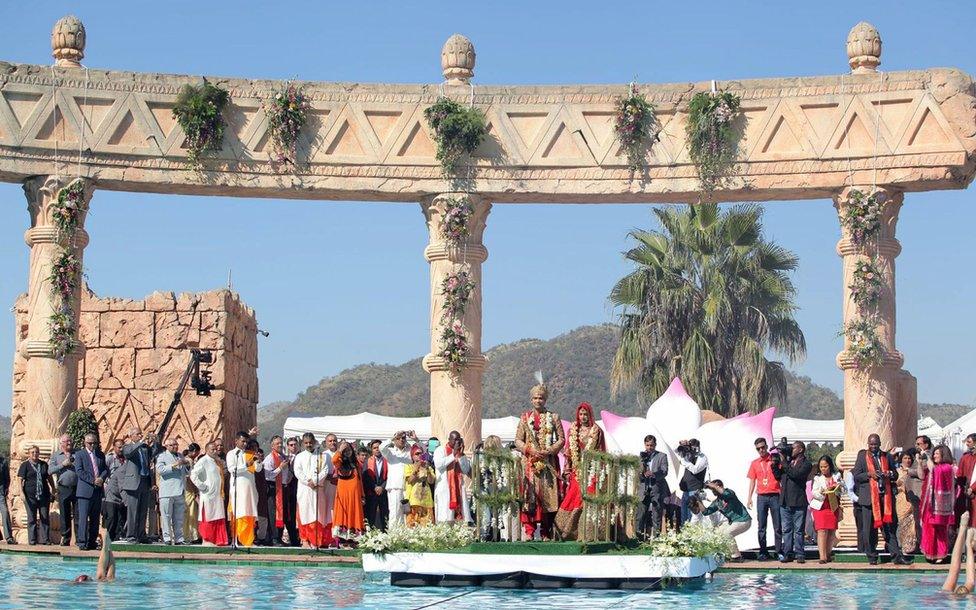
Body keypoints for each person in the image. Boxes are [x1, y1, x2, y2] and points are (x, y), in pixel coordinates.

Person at [514, 382, 565, 539]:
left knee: (548, 499)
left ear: (545, 399)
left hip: (548, 464)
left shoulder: (554, 417)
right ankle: (529, 532)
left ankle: (545, 532)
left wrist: (548, 451)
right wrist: (530, 450)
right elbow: (517, 440)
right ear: (531, 400)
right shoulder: (524, 419)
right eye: (535, 398)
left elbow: (562, 440)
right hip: (529, 464)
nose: (538, 401)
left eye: (541, 398)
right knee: (529, 497)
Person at [852, 433, 911, 565]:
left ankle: (896, 556)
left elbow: (895, 475)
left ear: (880, 444)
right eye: (871, 444)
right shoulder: (862, 457)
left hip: (885, 498)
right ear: (868, 444)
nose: (873, 446)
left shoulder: (887, 456)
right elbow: (856, 475)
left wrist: (889, 474)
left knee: (889, 529)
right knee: (869, 530)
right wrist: (869, 474)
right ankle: (872, 556)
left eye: (875, 444)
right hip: (868, 499)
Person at [553, 403, 605, 541]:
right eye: (581, 414)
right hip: (577, 471)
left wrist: (599, 471)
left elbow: (601, 452)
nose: (583, 417)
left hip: (592, 471)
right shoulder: (573, 430)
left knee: (590, 498)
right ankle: (567, 532)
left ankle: (591, 533)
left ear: (590, 415)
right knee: (574, 497)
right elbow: (569, 452)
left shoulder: (597, 431)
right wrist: (568, 470)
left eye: (585, 414)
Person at [773, 440, 812, 563]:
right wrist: (775, 464)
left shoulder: (806, 464)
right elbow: (779, 476)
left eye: (794, 448)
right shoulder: (788, 462)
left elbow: (795, 475)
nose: (791, 450)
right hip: (784, 501)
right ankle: (788, 553)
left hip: (798, 501)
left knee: (799, 530)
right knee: (786, 529)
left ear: (800, 449)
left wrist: (784, 462)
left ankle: (800, 553)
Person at [293, 432, 332, 549]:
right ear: (303, 443)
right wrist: (308, 481)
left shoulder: (322, 456)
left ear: (314, 442)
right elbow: (297, 471)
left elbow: (325, 470)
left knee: (318, 515)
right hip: (305, 489)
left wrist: (314, 481)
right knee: (305, 514)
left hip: (318, 489)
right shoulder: (299, 456)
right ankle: (305, 540)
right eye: (306, 443)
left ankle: (316, 541)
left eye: (310, 442)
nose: (309, 445)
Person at [919, 444, 957, 563]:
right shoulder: (934, 467)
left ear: (943, 455)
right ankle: (931, 553)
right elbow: (921, 475)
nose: (934, 456)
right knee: (928, 528)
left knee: (940, 530)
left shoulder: (947, 467)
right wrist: (919, 462)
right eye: (934, 453)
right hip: (929, 504)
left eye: (936, 454)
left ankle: (941, 554)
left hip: (940, 505)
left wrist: (927, 456)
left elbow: (934, 470)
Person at [746, 437, 781, 561]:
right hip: (761, 496)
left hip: (775, 495)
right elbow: (752, 481)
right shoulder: (755, 463)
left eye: (763, 447)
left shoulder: (775, 459)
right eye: (758, 448)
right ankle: (763, 551)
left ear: (766, 446)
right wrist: (749, 497)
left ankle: (778, 551)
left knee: (777, 525)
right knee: (762, 526)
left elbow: (781, 475)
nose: (761, 450)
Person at [121, 427, 158, 543]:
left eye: (140, 434)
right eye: (137, 434)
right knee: (133, 511)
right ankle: (131, 535)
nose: (140, 435)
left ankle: (141, 535)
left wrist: (156, 442)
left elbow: (155, 453)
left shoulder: (144, 448)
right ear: (131, 436)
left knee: (143, 510)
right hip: (133, 482)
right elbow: (128, 454)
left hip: (144, 481)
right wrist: (140, 442)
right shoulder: (128, 446)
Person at [225, 429, 262, 547]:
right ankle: (237, 540)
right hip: (238, 490)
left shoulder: (250, 454)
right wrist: (247, 464)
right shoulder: (231, 454)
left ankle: (248, 540)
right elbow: (232, 470)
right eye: (243, 441)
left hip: (250, 490)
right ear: (236, 441)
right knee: (239, 513)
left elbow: (258, 469)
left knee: (249, 513)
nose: (245, 444)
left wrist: (258, 461)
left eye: (246, 442)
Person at [701, 479, 752, 561]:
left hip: (743, 520)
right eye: (712, 490)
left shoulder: (729, 492)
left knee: (727, 534)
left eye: (714, 489)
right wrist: (698, 500)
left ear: (720, 487)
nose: (713, 491)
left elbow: (725, 493)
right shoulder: (717, 502)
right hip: (734, 522)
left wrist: (713, 485)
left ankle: (737, 556)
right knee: (718, 533)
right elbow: (706, 512)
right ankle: (724, 554)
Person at [74, 432, 108, 551]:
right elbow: (79, 471)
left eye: (94, 443)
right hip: (85, 491)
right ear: (85, 442)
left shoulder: (100, 455)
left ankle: (92, 541)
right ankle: (82, 542)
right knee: (83, 518)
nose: (92, 445)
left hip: (97, 491)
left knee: (95, 518)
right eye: (89, 443)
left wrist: (101, 479)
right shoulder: (79, 455)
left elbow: (105, 469)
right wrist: (93, 480)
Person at [190, 441, 228, 546]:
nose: (215, 451)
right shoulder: (203, 461)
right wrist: (202, 487)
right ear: (207, 450)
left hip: (217, 495)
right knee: (208, 516)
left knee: (217, 516)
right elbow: (193, 475)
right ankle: (206, 539)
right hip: (208, 495)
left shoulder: (217, 461)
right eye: (213, 449)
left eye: (216, 449)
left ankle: (218, 539)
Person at [810, 455, 845, 564]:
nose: (823, 469)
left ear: (830, 466)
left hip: (832, 506)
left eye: (825, 466)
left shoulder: (837, 476)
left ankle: (828, 553)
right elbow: (814, 492)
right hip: (821, 507)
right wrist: (823, 491)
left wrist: (837, 486)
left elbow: (843, 490)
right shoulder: (817, 478)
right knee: (822, 530)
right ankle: (822, 556)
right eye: (821, 467)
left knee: (831, 531)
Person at [155, 438, 189, 545]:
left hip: (180, 490)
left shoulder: (180, 456)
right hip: (167, 492)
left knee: (178, 517)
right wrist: (174, 465)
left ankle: (179, 538)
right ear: (167, 446)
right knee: (166, 516)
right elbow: (160, 470)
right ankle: (167, 538)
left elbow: (187, 471)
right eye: (173, 445)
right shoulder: (162, 456)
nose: (175, 447)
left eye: (176, 444)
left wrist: (186, 464)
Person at [434, 430, 472, 525]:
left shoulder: (460, 453)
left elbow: (465, 470)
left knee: (458, 520)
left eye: (458, 440)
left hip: (458, 488)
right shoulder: (440, 449)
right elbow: (439, 465)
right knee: (445, 517)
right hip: (445, 488)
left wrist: (461, 454)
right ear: (449, 439)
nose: (456, 442)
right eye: (455, 439)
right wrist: (453, 454)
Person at [332, 441, 365, 546]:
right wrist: (340, 450)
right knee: (343, 513)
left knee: (354, 514)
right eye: (345, 450)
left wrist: (362, 495)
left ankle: (352, 539)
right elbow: (334, 460)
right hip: (343, 494)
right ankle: (342, 540)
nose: (347, 452)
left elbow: (360, 480)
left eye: (349, 450)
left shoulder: (356, 463)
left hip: (355, 495)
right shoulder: (340, 461)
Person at [381, 431, 417, 527]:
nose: (401, 440)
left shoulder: (409, 451)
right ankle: (394, 537)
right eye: (399, 438)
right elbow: (381, 448)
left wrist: (415, 439)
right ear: (395, 440)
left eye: (403, 438)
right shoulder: (390, 452)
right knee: (395, 512)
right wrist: (392, 438)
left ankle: (407, 537)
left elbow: (424, 451)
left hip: (409, 486)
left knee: (408, 513)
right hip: (395, 486)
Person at [19, 445, 52, 545]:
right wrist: (21, 492)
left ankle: (45, 539)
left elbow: (48, 478)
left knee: (44, 517)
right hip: (30, 496)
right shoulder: (25, 465)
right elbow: (20, 479)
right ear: (29, 454)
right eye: (32, 452)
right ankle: (32, 540)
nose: (35, 454)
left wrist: (53, 490)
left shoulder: (43, 464)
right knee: (31, 518)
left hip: (43, 495)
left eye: (36, 452)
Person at [262, 435, 291, 546]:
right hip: (273, 488)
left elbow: (286, 472)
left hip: (283, 487)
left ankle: (279, 537)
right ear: (272, 445)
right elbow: (268, 475)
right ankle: (274, 538)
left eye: (280, 443)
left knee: (282, 513)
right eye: (277, 443)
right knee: (273, 513)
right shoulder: (269, 458)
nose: (279, 445)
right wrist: (280, 468)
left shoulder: (283, 457)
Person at [49, 434, 78, 546]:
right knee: (64, 514)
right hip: (63, 488)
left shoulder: (78, 453)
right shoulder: (56, 456)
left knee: (78, 514)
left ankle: (79, 539)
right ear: (61, 444)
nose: (69, 443)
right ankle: (65, 538)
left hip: (77, 487)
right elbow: (50, 470)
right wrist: (63, 464)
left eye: (70, 441)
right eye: (66, 441)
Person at [677, 439, 708, 525]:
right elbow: (676, 450)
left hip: (695, 490)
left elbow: (695, 470)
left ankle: (692, 534)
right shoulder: (688, 455)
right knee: (684, 514)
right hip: (686, 489)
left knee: (693, 515)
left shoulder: (702, 457)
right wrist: (681, 444)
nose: (692, 450)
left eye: (694, 447)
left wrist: (684, 461)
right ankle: (684, 534)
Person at [896, 451, 922, 554]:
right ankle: (903, 545)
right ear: (901, 459)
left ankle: (912, 546)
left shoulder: (914, 471)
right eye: (905, 458)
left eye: (909, 458)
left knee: (913, 522)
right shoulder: (897, 471)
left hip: (913, 499)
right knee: (903, 522)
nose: (908, 460)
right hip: (901, 499)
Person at [404, 445, 436, 527]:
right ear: (412, 456)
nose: (419, 455)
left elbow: (431, 481)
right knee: (413, 526)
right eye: (417, 454)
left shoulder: (427, 467)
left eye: (421, 454)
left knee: (427, 526)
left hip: (427, 500)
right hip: (414, 500)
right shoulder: (409, 466)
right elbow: (410, 481)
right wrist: (416, 469)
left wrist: (427, 469)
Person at [362, 439, 390, 531]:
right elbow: (365, 477)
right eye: (375, 448)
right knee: (371, 516)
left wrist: (382, 487)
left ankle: (386, 537)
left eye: (378, 447)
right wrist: (374, 487)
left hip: (384, 492)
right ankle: (370, 537)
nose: (377, 449)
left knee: (385, 516)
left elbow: (390, 476)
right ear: (372, 450)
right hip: (372, 493)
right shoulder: (367, 461)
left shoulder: (388, 460)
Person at [282, 436, 301, 546]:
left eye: (295, 444)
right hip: (288, 490)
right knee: (289, 515)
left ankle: (300, 538)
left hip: (300, 488)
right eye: (291, 445)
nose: (293, 447)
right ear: (288, 446)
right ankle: (292, 538)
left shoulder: (302, 456)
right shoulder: (285, 458)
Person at [182, 443, 201, 544]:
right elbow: (189, 477)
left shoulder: (192, 461)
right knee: (188, 513)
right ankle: (187, 535)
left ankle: (193, 535)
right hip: (188, 489)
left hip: (191, 490)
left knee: (193, 513)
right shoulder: (187, 461)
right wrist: (196, 490)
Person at [101, 465, 125, 543]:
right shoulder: (121, 471)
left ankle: (115, 537)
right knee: (111, 518)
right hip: (110, 497)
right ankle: (107, 539)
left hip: (119, 499)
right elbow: (121, 488)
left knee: (118, 519)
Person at [956, 433, 976, 524]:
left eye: (969, 442)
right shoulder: (965, 457)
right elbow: (960, 474)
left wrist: (972, 488)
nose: (967, 444)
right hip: (965, 491)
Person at [0, 452, 16, 544]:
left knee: (5, 512)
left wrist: (6, 489)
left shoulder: (3, 461)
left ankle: (9, 537)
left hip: (0, 491)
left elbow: (7, 478)